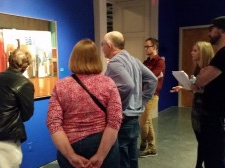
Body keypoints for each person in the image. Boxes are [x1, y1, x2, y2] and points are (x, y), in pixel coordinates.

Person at [47, 39, 123, 168]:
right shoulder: (108, 83)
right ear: (96, 58)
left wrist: (71, 156)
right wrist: (100, 156)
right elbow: (115, 120)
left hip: (70, 144)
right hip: (102, 142)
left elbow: (53, 123)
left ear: (73, 58)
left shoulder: (61, 85)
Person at [191, 16, 225, 168]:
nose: (209, 34)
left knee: (216, 161)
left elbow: (200, 81)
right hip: (214, 118)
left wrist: (202, 77)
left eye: (212, 30)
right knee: (218, 157)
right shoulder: (224, 54)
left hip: (218, 119)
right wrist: (202, 77)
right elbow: (202, 82)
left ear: (222, 31)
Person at [102, 31, 157, 168]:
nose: (102, 47)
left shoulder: (114, 63)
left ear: (109, 46)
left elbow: (128, 85)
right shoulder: (134, 60)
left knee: (122, 159)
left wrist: (119, 107)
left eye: (103, 44)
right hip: (134, 118)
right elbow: (153, 79)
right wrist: (141, 101)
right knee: (132, 158)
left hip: (124, 118)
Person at [171, 41, 214, 168]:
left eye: (195, 50)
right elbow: (196, 88)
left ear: (204, 53)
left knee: (205, 141)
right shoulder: (198, 69)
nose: (192, 52)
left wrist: (194, 87)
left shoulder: (210, 71)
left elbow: (208, 90)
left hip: (206, 110)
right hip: (197, 108)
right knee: (200, 140)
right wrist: (183, 87)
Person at [139, 38, 165, 158]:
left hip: (152, 95)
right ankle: (147, 144)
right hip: (143, 93)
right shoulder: (146, 62)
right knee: (146, 121)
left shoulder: (159, 61)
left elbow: (152, 76)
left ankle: (151, 146)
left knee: (144, 121)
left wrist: (148, 76)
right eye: (145, 46)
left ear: (154, 47)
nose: (145, 48)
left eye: (147, 46)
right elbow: (141, 75)